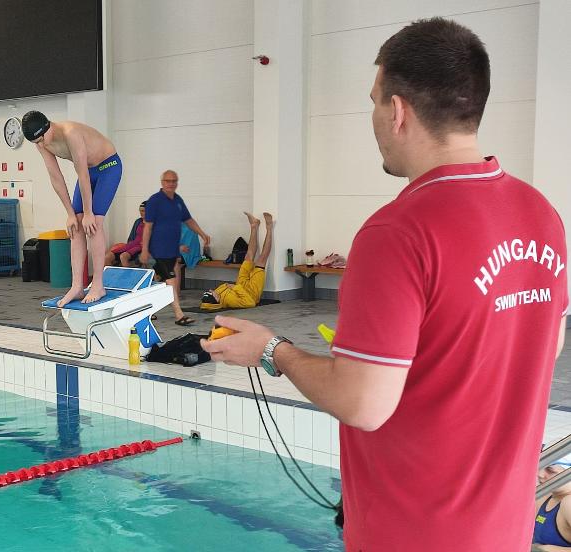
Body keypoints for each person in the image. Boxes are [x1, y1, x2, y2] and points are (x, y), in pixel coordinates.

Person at [201, 18, 568, 550]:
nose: (372, 117)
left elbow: (364, 404)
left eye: (373, 101)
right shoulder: (542, 215)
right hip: (503, 529)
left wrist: (273, 350)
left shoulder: (398, 231)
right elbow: (544, 346)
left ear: (397, 111)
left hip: (412, 532)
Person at [22, 111, 122, 306]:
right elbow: (55, 177)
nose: (40, 144)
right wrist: (70, 214)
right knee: (75, 227)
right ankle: (77, 286)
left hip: (108, 167)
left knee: (94, 224)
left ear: (48, 126)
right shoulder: (41, 142)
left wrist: (89, 213)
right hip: (88, 173)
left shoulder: (71, 134)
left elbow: (82, 175)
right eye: (35, 142)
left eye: (41, 138)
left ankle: (98, 285)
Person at [139, 170, 211, 326]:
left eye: (174, 181)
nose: (171, 184)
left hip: (172, 249)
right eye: (168, 181)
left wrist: (202, 234)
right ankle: (179, 315)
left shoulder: (178, 201)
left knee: (158, 280)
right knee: (171, 279)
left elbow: (188, 220)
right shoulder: (154, 201)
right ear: (162, 182)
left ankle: (144, 309)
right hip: (159, 249)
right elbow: (148, 227)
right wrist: (144, 250)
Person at [199, 212, 273, 310]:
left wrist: (234, 287)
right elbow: (250, 303)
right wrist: (235, 287)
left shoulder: (216, 296)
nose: (211, 290)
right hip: (251, 292)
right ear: (216, 299)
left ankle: (254, 226)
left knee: (248, 257)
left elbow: (206, 304)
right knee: (262, 259)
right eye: (211, 293)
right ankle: (269, 227)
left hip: (240, 284)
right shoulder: (230, 301)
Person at [534, 463, 571, 550]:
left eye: (550, 470)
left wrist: (548, 549)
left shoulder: (568, 503)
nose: (540, 475)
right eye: (539, 468)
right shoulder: (546, 497)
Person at [105, 202, 146, 268]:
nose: (141, 213)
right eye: (140, 211)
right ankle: (112, 276)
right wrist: (129, 244)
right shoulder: (138, 221)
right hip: (132, 244)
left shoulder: (153, 223)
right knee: (107, 257)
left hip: (142, 246)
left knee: (123, 257)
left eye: (143, 211)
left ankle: (127, 277)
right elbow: (132, 236)